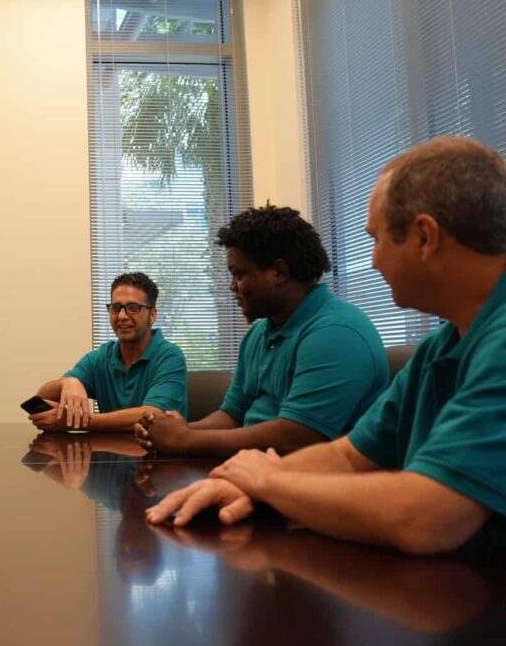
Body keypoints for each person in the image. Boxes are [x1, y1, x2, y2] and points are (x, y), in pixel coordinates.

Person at [147, 136, 506, 555]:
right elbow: (352, 456)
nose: (372, 260)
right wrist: (233, 481)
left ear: (425, 238)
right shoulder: (442, 346)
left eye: (377, 239)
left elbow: (427, 520)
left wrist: (268, 481)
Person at [136, 205, 387, 457]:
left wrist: (186, 440)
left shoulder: (336, 333)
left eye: (239, 274)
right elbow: (233, 415)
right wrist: (175, 431)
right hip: (262, 469)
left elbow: (297, 436)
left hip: (322, 481)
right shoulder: (259, 333)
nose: (233, 286)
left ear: (279, 272)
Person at [29, 272, 187, 432]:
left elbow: (153, 415)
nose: (122, 316)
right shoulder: (101, 357)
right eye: (116, 308)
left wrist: (77, 421)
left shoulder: (170, 356)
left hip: (158, 455)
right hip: (108, 453)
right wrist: (67, 383)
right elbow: (43, 397)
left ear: (152, 315)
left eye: (133, 308)